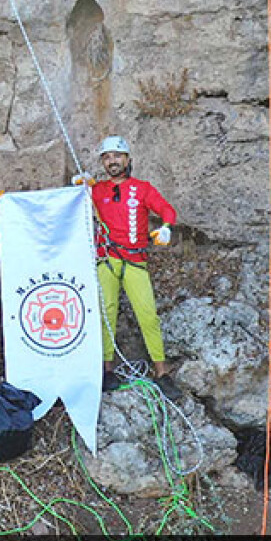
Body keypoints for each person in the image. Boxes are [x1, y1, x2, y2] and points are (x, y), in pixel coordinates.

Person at [87, 135, 182, 400]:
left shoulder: (142, 188)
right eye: (106, 157)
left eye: (117, 156)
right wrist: (78, 187)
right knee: (107, 313)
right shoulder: (96, 191)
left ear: (127, 159)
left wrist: (166, 227)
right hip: (106, 258)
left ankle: (161, 372)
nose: (112, 161)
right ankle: (107, 370)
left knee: (147, 313)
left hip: (134, 259)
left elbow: (167, 210)